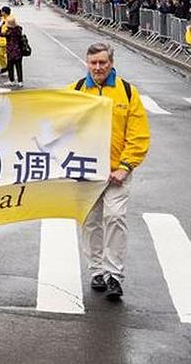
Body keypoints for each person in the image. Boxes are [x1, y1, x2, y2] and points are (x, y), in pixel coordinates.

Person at [69, 43, 150, 302]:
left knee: (115, 218)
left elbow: (137, 135)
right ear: (87, 63)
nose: (98, 68)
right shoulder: (76, 91)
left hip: (117, 172)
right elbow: (53, 119)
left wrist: (126, 166)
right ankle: (96, 271)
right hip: (87, 172)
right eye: (93, 63)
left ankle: (113, 275)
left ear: (111, 63)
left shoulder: (127, 92)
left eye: (103, 63)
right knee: (90, 223)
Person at [0, 16, 25, 87]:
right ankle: (20, 81)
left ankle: (12, 80)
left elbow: (0, 34)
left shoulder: (9, 32)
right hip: (19, 51)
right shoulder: (19, 30)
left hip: (11, 51)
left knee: (10, 66)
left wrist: (1, 26)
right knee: (19, 66)